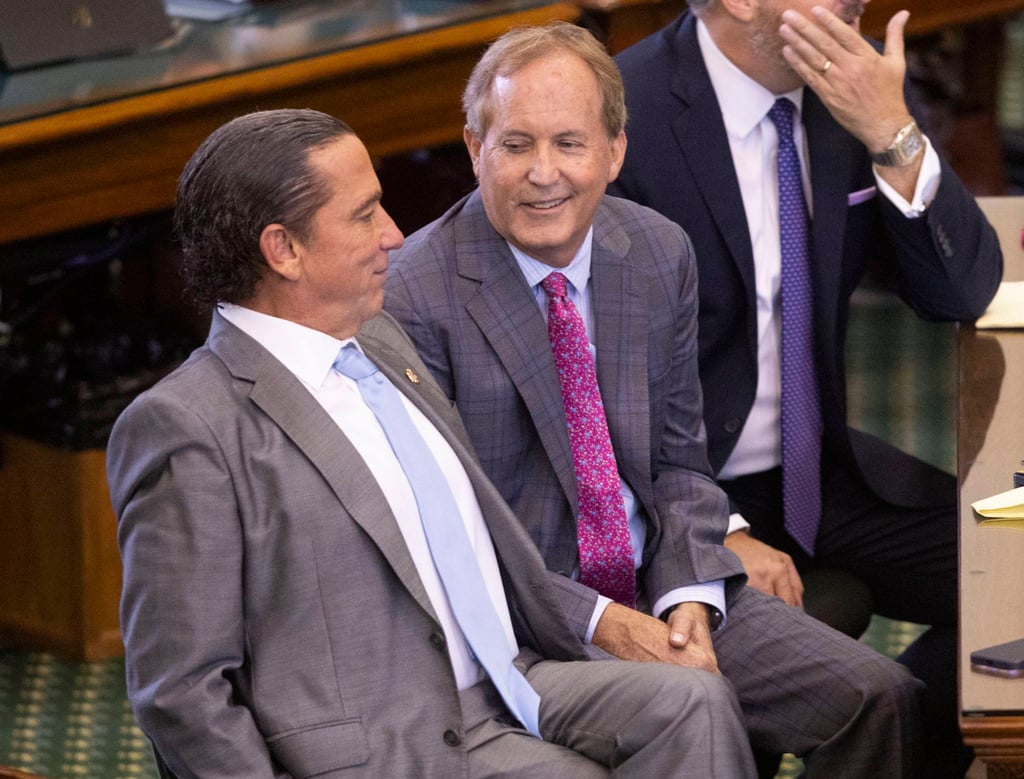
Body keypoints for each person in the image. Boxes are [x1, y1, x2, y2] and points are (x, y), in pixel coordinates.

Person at [106, 108, 763, 778]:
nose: (393, 234)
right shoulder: (188, 425)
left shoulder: (380, 341)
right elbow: (180, 690)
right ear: (284, 249)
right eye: (364, 215)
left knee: (695, 703)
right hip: (386, 741)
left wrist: (603, 621)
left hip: (511, 673)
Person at [385, 21, 924, 776]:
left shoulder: (657, 250)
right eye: (515, 145)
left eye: (570, 143)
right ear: (475, 149)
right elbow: (452, 542)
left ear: (615, 151)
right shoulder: (413, 295)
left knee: (877, 694)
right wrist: (613, 625)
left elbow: (680, 464)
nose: (544, 172)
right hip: (528, 626)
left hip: (662, 583)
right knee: (698, 710)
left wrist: (687, 597)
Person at [607, 2, 1003, 775]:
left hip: (821, 474)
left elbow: (962, 290)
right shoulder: (626, 110)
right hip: (677, 492)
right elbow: (590, 376)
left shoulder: (856, 85)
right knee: (865, 690)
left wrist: (893, 132)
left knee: (1013, 589)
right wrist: (715, 526)